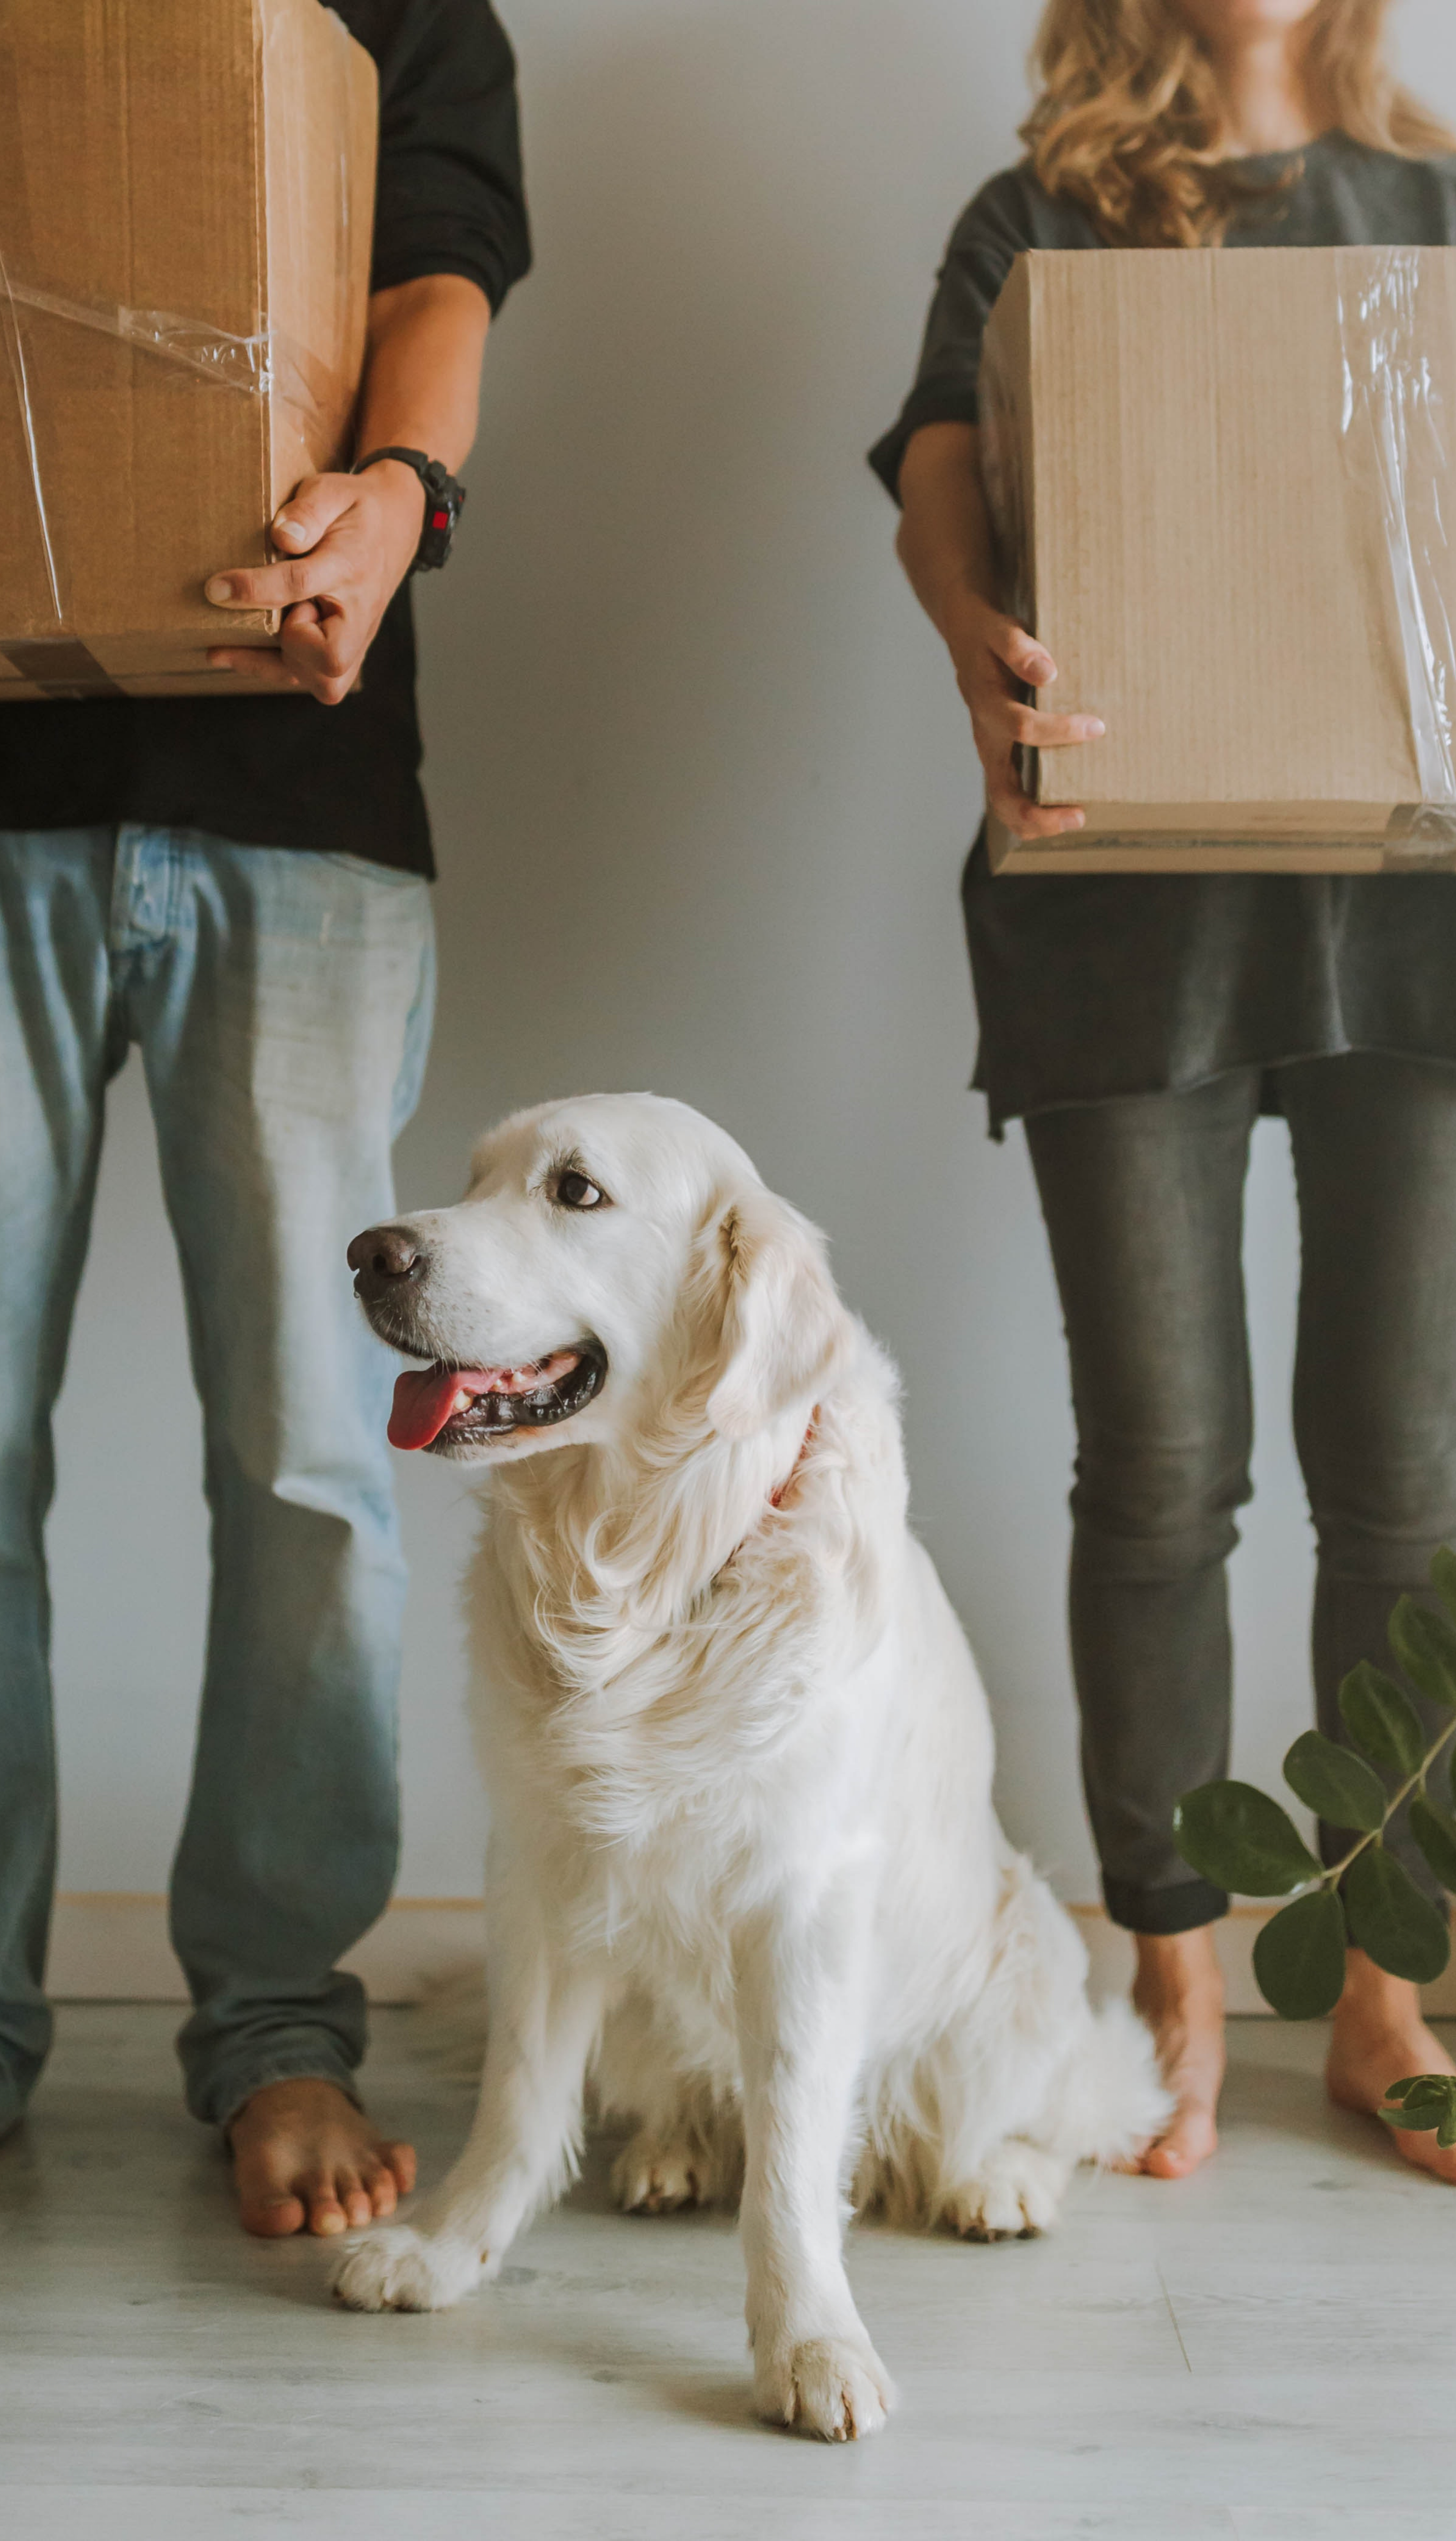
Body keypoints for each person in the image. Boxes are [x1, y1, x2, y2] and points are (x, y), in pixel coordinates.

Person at [873, 0, 1456, 2188]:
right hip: (1118, 919)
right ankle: (1175, 1968)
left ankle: (1388, 1991)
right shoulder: (1040, 222)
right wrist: (980, 643)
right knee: (1162, 1474)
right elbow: (942, 506)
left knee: (1401, 1493)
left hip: (1417, 931)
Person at [0, 0, 529, 2237]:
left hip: (301, 796)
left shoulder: (395, 7)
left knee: (315, 1450)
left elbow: (438, 278)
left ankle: (281, 2034)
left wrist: (397, 504)